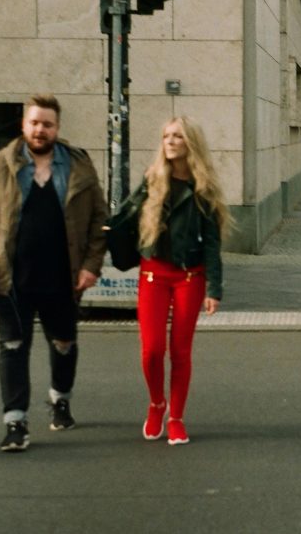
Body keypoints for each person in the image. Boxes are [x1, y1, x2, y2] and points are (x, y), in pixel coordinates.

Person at [0, 94, 108, 452]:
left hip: (63, 278)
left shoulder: (78, 166)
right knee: (13, 346)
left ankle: (60, 399)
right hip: (10, 279)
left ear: (57, 128)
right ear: (23, 125)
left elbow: (99, 220)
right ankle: (15, 423)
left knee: (64, 343)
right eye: (34, 123)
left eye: (47, 124)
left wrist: (91, 266)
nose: (40, 130)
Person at [122, 116, 229, 446]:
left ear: (190, 143)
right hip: (152, 274)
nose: (169, 141)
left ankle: (176, 418)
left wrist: (214, 288)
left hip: (189, 277)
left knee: (180, 351)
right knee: (152, 350)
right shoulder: (152, 179)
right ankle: (157, 404)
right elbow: (127, 217)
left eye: (177, 136)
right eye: (166, 136)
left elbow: (212, 242)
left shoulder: (203, 188)